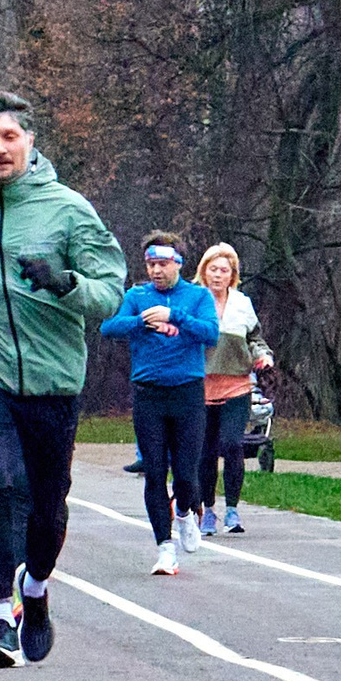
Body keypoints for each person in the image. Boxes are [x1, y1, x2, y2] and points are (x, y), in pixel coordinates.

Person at [0, 90, 126, 666]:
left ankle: (35, 589)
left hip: (53, 378)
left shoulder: (68, 208)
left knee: (46, 507)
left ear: (30, 142)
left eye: (9, 137)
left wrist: (64, 282)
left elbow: (109, 292)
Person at [101, 232, 220, 576]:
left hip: (187, 392)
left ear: (178, 265)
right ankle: (164, 547)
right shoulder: (137, 296)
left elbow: (210, 333)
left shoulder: (197, 296)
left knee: (186, 472)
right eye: (151, 264)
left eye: (163, 264)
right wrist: (141, 321)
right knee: (154, 470)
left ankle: (185, 511)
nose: (156, 270)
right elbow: (109, 327)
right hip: (148, 392)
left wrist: (175, 317)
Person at [195, 242, 272, 535]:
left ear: (232, 275)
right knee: (206, 451)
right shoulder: (194, 300)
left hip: (237, 385)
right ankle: (207, 510)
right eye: (212, 269)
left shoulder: (242, 303)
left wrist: (263, 357)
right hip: (200, 386)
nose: (217, 275)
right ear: (204, 272)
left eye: (223, 271)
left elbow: (256, 339)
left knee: (232, 443)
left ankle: (232, 510)